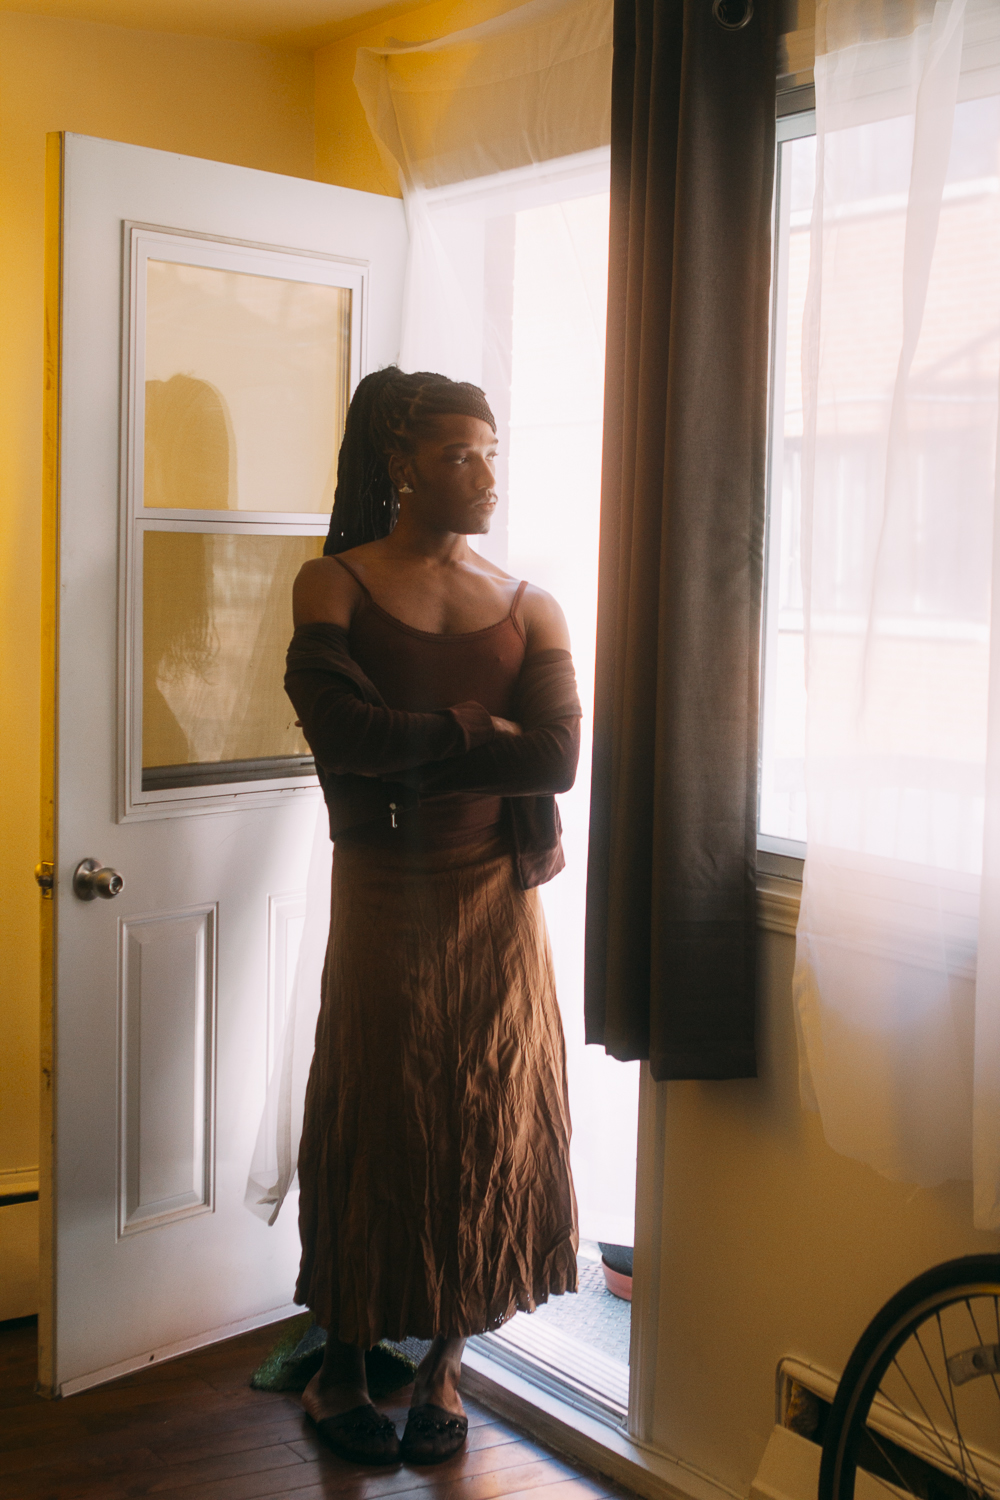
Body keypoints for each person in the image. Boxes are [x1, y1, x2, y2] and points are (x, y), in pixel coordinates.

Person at [285, 366, 582, 1467]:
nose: (485, 475)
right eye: (460, 455)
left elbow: (558, 755)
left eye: (493, 451)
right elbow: (342, 731)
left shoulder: (528, 597)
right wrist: (479, 732)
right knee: (380, 1113)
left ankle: (445, 1366)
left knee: (484, 1113)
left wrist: (432, 737)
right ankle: (343, 1365)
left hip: (496, 904)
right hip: (385, 892)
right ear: (400, 465)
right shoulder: (335, 585)